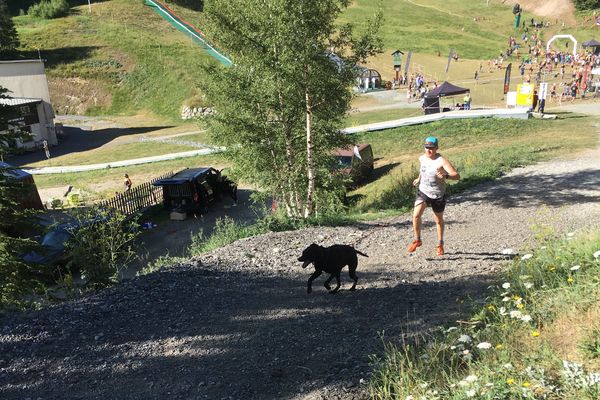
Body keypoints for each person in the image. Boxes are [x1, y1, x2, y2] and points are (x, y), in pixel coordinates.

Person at [408, 136, 460, 256]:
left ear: (436, 148)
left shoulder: (441, 161)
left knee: (438, 220)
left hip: (437, 195)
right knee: (416, 215)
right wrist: (418, 178)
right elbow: (423, 170)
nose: (428, 150)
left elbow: (457, 176)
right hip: (424, 192)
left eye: (431, 148)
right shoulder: (422, 158)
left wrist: (446, 176)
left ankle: (440, 244)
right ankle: (417, 240)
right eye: (426, 148)